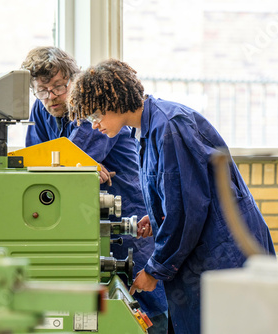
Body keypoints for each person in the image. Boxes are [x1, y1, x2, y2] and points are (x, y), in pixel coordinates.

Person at [68, 58, 276, 334]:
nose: (94, 126)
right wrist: (156, 220)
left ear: (113, 102)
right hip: (204, 248)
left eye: (95, 116)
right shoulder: (147, 130)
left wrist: (154, 270)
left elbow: (187, 210)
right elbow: (176, 195)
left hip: (223, 249)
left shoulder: (169, 128)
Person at [21, 47, 169, 333]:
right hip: (86, 222)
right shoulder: (41, 110)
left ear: (73, 82)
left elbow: (73, 161)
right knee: (111, 311)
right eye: (42, 90)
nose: (51, 97)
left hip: (128, 215)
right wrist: (67, 162)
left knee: (147, 306)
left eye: (59, 87)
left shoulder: (89, 108)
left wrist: (66, 160)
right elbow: (33, 167)